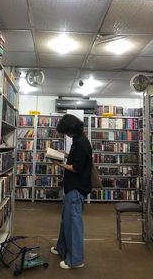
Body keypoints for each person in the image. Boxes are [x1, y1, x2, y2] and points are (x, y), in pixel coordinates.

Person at [50, 114, 92, 270]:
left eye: (67, 132)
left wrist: (58, 163)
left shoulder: (82, 143)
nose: (67, 135)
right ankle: (62, 248)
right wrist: (64, 155)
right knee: (65, 221)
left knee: (73, 225)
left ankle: (76, 260)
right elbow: (75, 159)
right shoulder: (78, 139)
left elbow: (76, 168)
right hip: (71, 188)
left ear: (71, 130)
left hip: (76, 189)